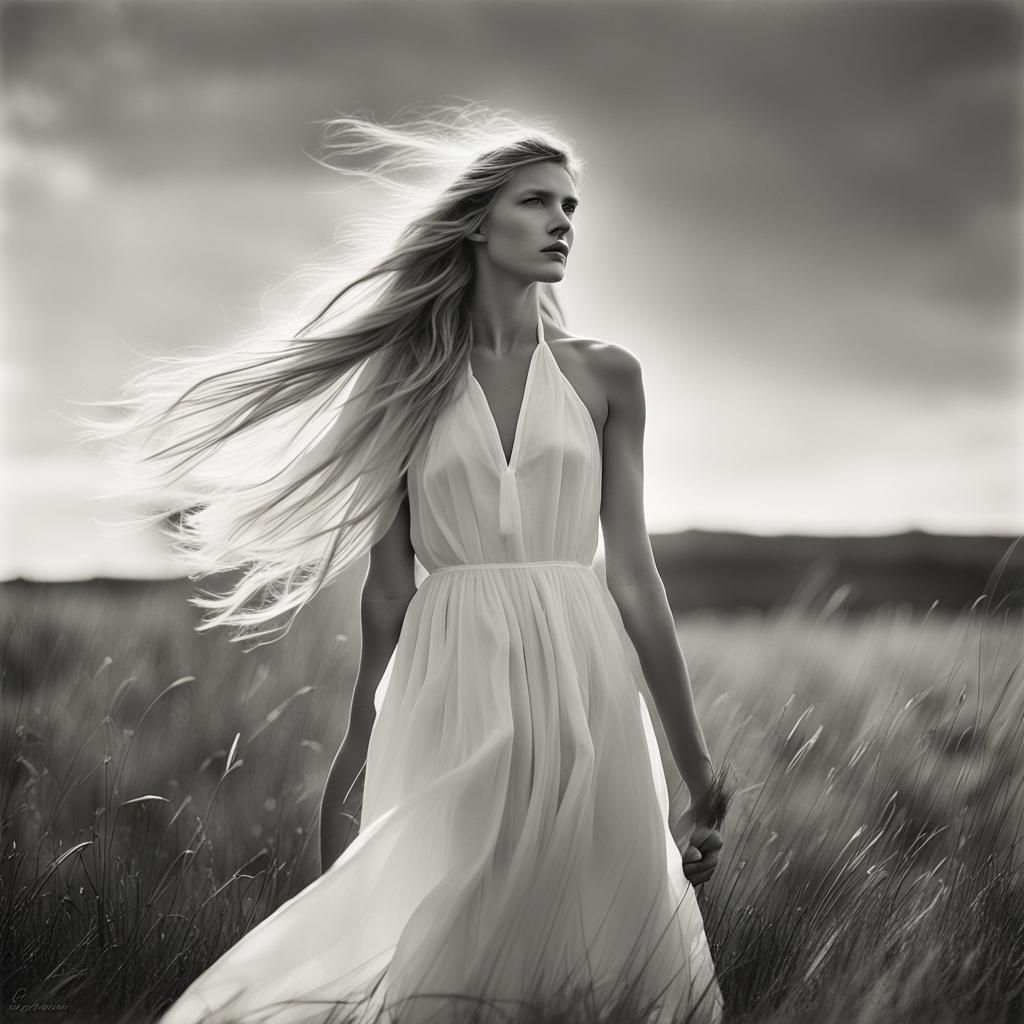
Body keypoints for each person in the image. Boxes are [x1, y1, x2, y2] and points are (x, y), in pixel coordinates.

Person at [91, 104, 728, 1024]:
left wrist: (695, 766)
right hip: (452, 668)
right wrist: (359, 738)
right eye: (537, 202)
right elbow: (390, 584)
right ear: (477, 222)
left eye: (572, 207)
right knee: (453, 915)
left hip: (583, 669)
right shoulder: (402, 381)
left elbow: (634, 576)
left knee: (597, 936)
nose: (563, 224)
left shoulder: (607, 377)